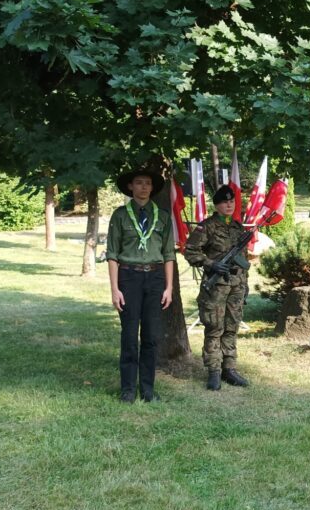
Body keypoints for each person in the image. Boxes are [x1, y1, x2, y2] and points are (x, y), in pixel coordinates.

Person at [105, 167, 175, 402]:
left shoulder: (163, 217)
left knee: (151, 336)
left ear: (152, 188)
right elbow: (113, 254)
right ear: (130, 187)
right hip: (129, 277)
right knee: (128, 335)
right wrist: (115, 289)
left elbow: (168, 255)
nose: (143, 187)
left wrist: (169, 287)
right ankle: (127, 389)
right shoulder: (120, 215)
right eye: (138, 183)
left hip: (155, 279)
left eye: (147, 183)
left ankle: (147, 389)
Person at [183, 186, 251, 390]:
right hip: (216, 287)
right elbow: (190, 251)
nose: (229, 205)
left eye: (232, 202)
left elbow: (244, 260)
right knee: (214, 327)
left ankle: (229, 368)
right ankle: (213, 371)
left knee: (232, 326)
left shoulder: (239, 228)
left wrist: (245, 285)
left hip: (236, 286)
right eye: (224, 202)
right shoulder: (207, 227)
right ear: (217, 205)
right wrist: (211, 263)